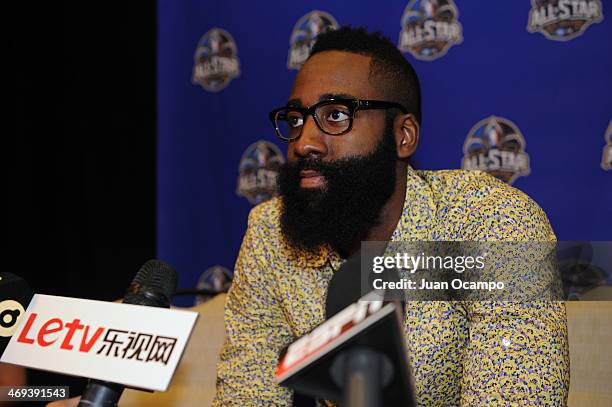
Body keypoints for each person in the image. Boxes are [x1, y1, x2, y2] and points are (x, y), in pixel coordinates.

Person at [213, 26, 569, 406]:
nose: (304, 142)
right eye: (297, 119)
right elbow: (249, 392)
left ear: (404, 135)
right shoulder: (272, 231)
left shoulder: (494, 221)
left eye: (336, 115)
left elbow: (518, 395)